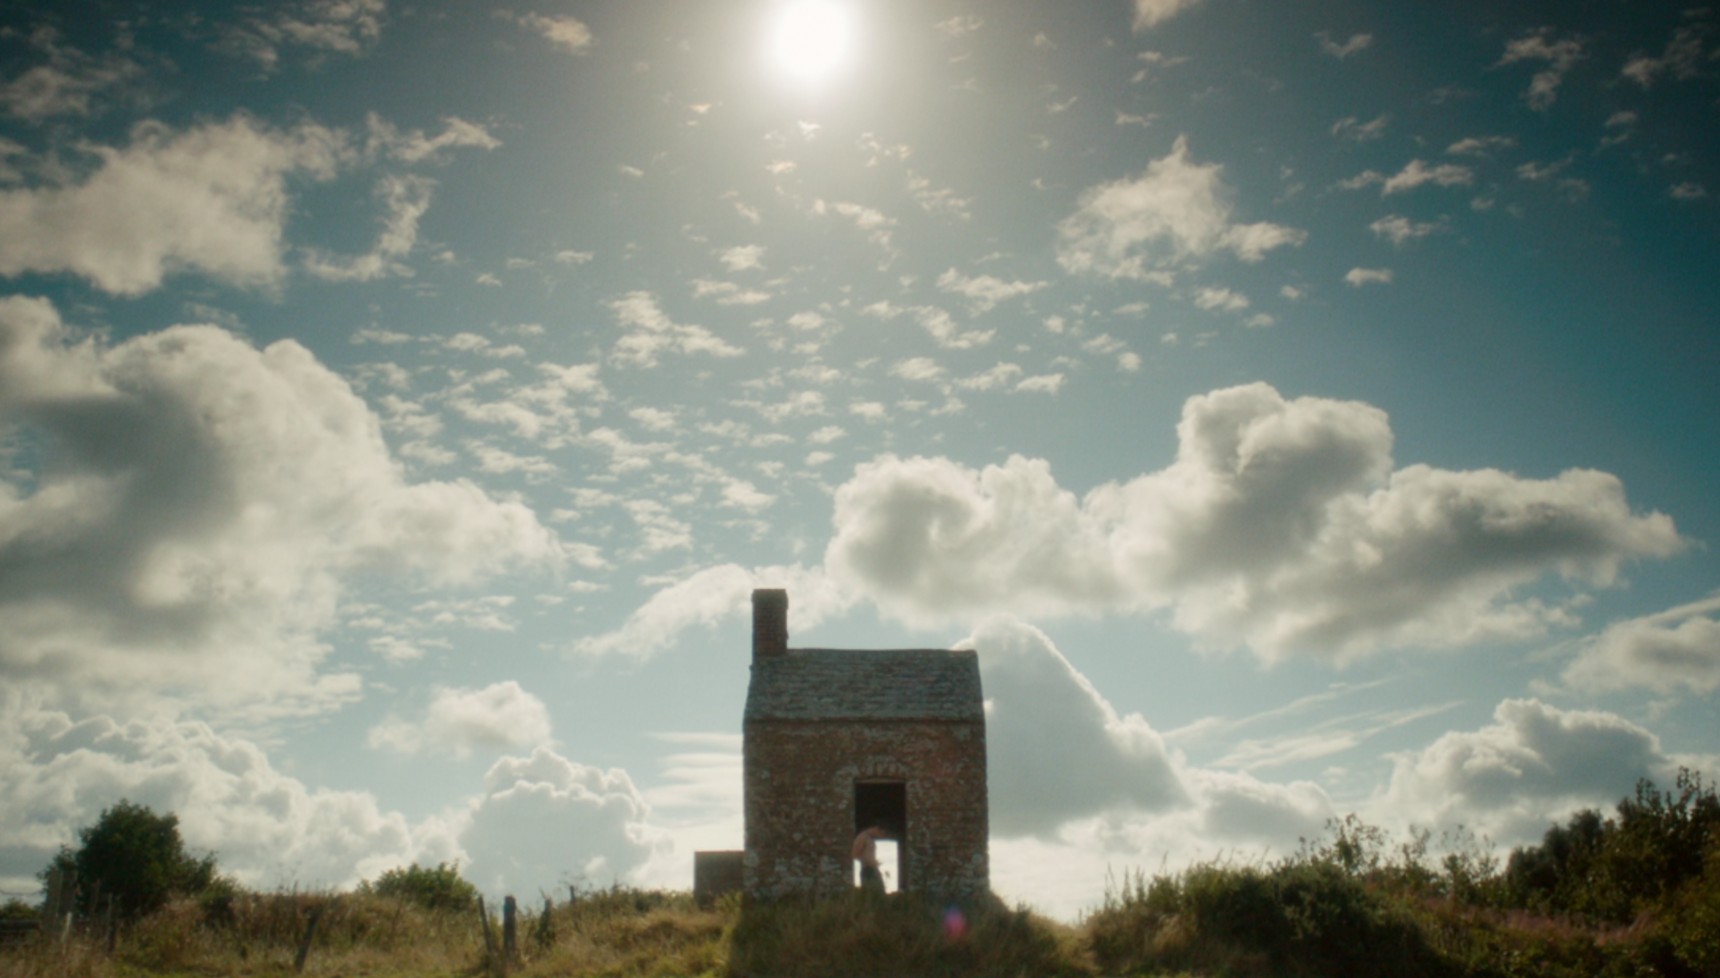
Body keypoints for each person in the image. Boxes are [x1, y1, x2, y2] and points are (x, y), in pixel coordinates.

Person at [852, 824, 890, 895]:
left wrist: (874, 862)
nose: (879, 836)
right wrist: (867, 862)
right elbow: (855, 854)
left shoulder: (869, 838)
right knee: (871, 892)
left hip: (873, 868)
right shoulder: (862, 837)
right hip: (867, 869)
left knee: (879, 892)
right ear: (876, 829)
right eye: (881, 834)